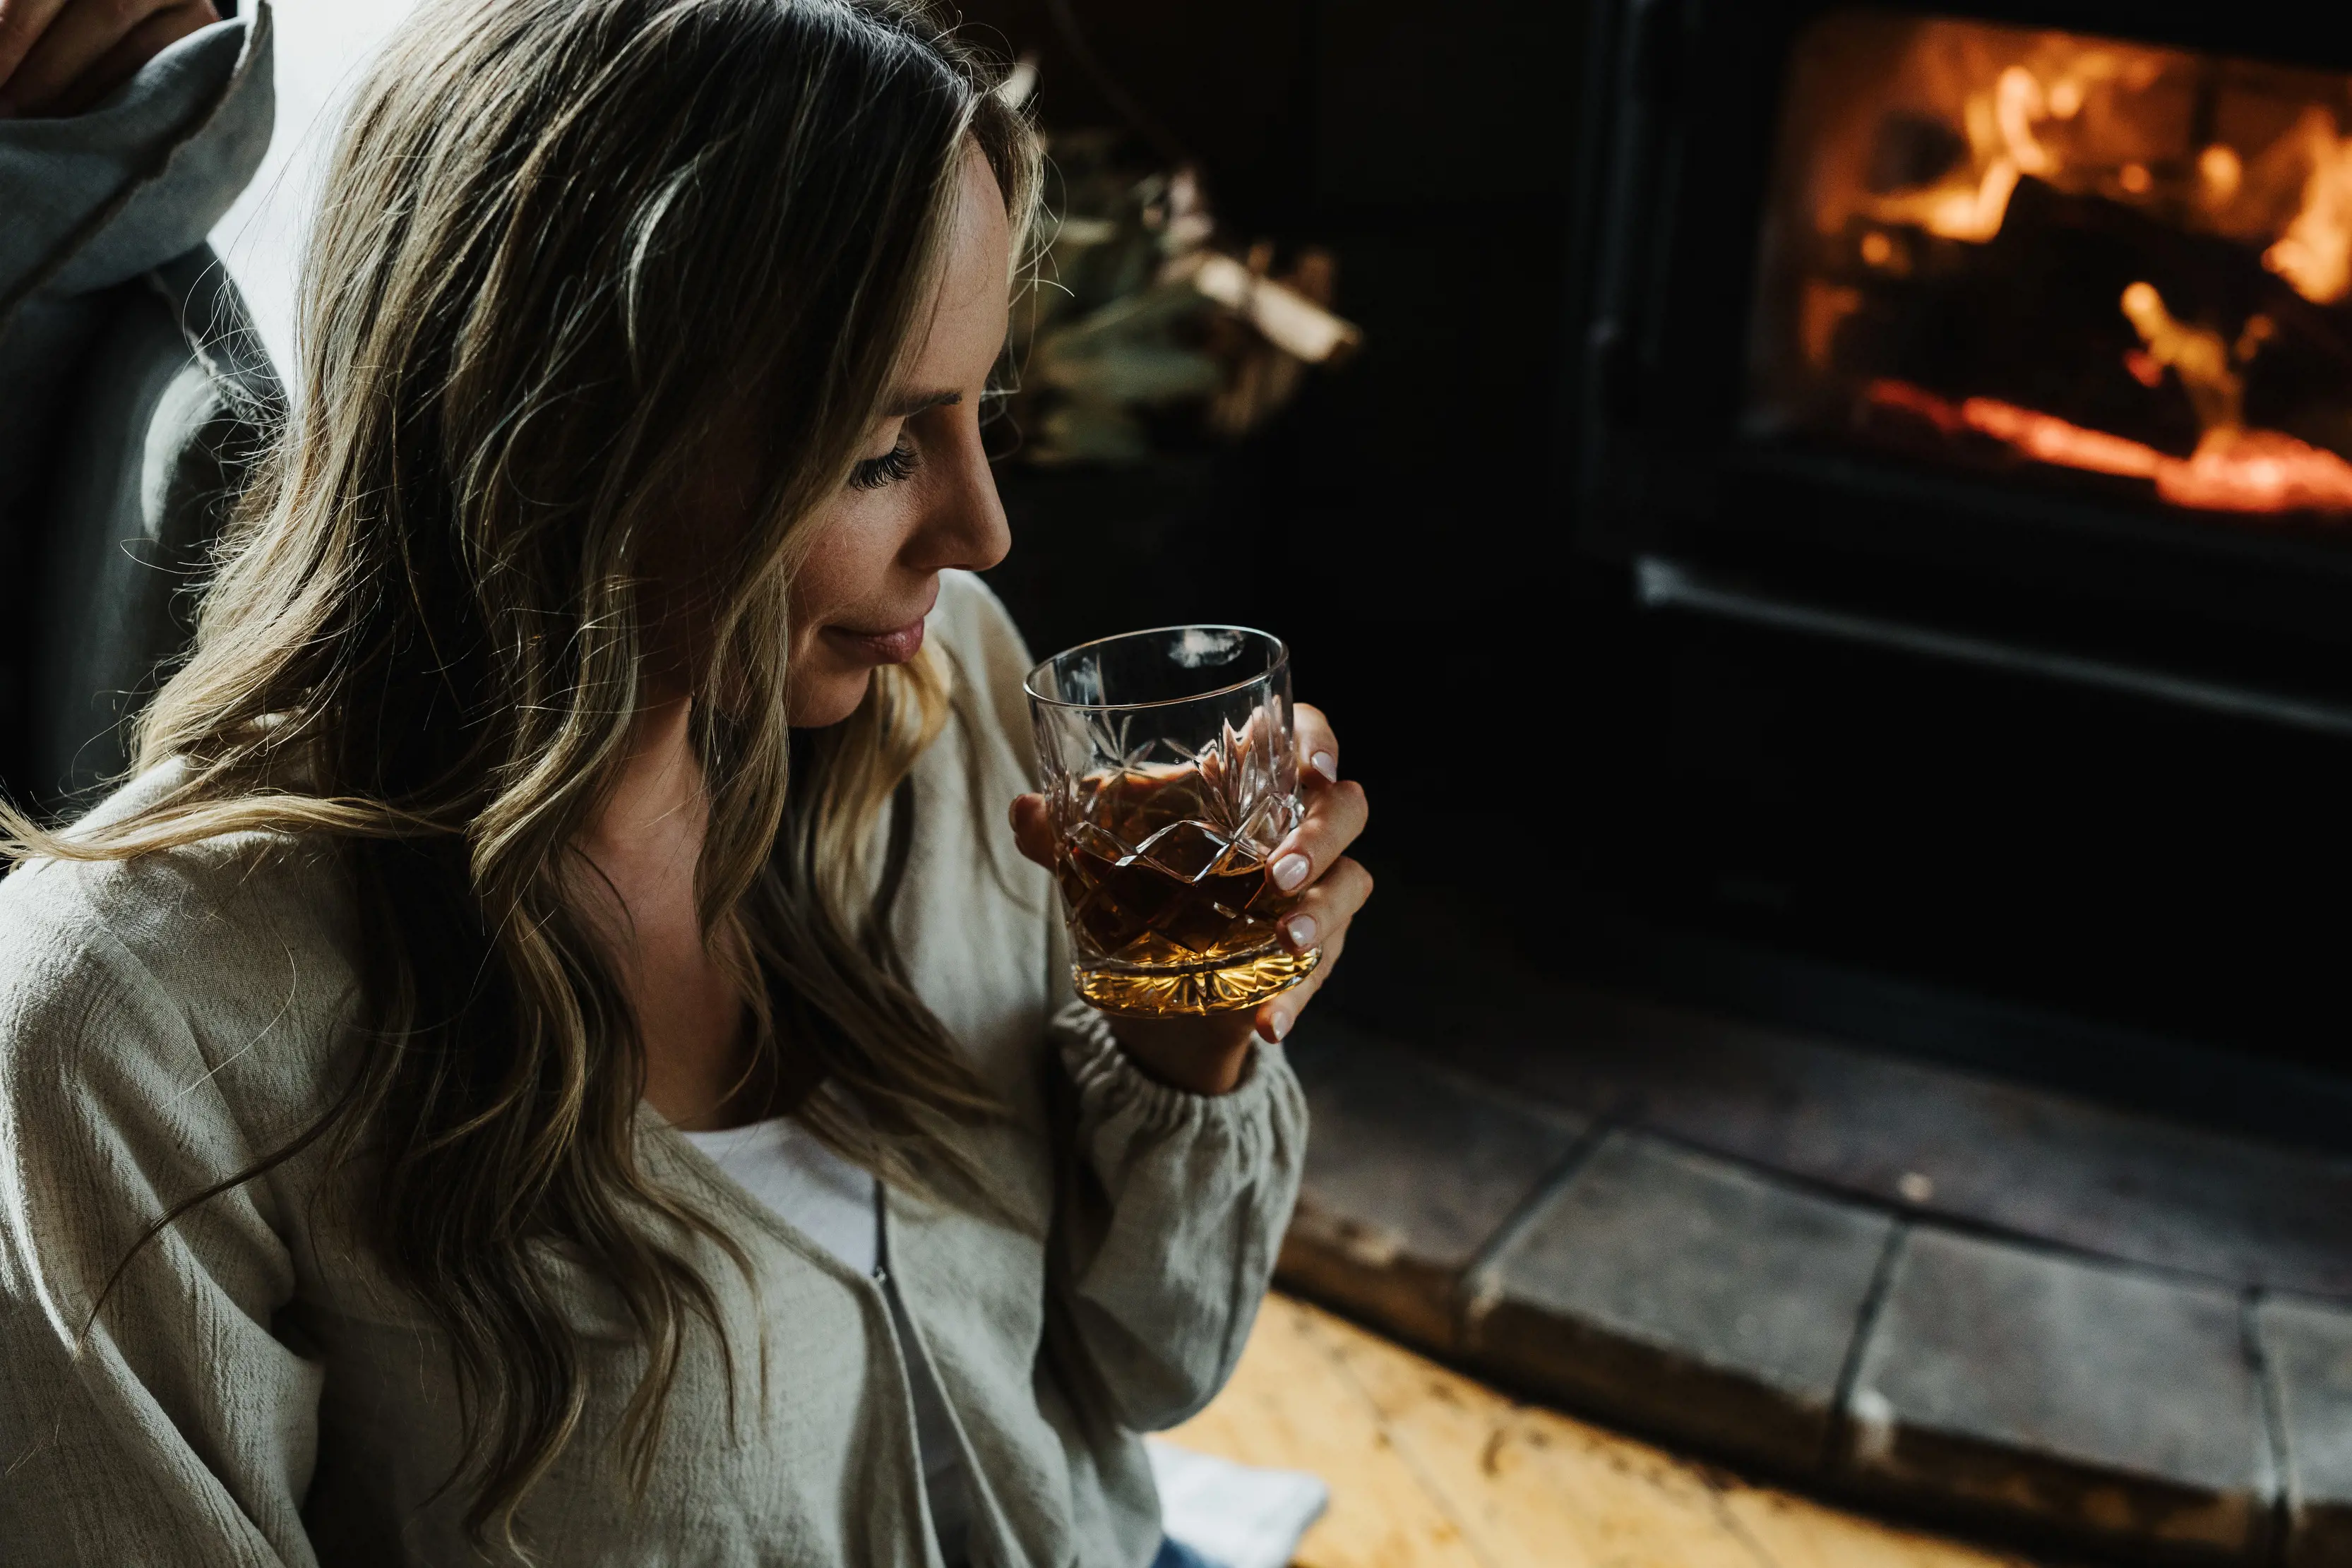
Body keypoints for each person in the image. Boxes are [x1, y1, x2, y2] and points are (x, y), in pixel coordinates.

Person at [0, 2, 1373, 1565]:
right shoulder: (124, 1032)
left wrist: (1184, 1055)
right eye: (878, 455)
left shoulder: (953, 703)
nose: (984, 534)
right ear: (559, 434)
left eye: (978, 413)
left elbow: (1146, 1369)